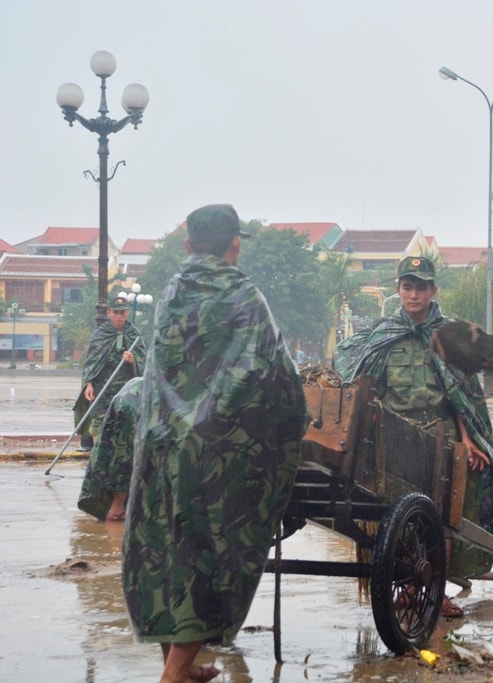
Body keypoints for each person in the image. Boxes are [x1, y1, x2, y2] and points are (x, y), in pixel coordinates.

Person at [122, 204, 307, 683]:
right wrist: (291, 426)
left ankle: (179, 665)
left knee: (165, 553)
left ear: (188, 245)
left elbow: (160, 369)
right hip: (215, 457)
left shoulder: (168, 293)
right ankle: (173, 674)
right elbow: (275, 373)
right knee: (211, 556)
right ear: (235, 243)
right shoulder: (244, 294)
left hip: (160, 446)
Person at [333, 255, 493, 619]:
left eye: (422, 288)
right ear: (398, 290)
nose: (414, 295)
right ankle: (409, 584)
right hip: (393, 439)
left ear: (433, 290)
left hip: (441, 437)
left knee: (442, 515)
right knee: (396, 516)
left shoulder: (451, 337)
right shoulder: (380, 337)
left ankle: (435, 591)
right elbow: (361, 383)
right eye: (408, 287)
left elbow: (462, 395)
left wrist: (470, 439)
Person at [73, 292, 146, 451]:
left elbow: (143, 361)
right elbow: (91, 360)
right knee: (98, 421)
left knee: (125, 421)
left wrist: (132, 360)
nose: (119, 316)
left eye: (122, 312)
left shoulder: (135, 335)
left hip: (125, 388)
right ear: (109, 313)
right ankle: (97, 456)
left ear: (127, 313)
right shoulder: (100, 334)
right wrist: (89, 383)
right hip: (102, 387)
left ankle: (121, 456)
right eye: (115, 312)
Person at [78, 376, 142, 522]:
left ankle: (117, 507)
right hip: (130, 406)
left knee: (120, 456)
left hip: (127, 399)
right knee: (127, 457)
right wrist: (89, 383)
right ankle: (117, 509)